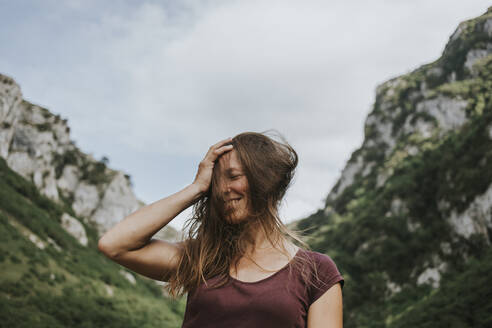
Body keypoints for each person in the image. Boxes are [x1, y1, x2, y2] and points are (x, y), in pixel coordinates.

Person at [98, 130, 344, 327]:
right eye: (216, 182)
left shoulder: (317, 272)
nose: (223, 189)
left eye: (234, 176)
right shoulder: (202, 257)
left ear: (265, 181)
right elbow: (114, 245)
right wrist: (195, 188)